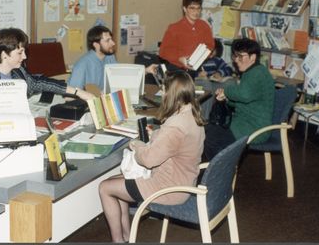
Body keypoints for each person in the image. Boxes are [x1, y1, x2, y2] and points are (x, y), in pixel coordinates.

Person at [98, 70, 206, 242]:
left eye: (163, 90)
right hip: (183, 179)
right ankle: (126, 236)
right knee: (117, 183)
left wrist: (137, 145)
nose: (161, 94)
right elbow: (173, 143)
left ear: (172, 95)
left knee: (105, 187)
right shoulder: (191, 114)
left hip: (168, 187)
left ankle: (117, 240)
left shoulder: (175, 126)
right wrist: (156, 135)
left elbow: (147, 160)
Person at [0, 28, 94, 133]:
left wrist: (78, 92)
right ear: (4, 54)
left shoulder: (20, 74)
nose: (24, 56)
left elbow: (44, 83)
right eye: (20, 52)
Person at [203, 38, 275, 160]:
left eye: (240, 56)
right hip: (245, 123)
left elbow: (244, 95)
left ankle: (220, 172)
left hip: (255, 129)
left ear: (253, 57)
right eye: (235, 56)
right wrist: (227, 98)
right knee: (208, 131)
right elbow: (243, 101)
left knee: (210, 137)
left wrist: (226, 91)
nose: (236, 60)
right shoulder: (253, 71)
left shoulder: (257, 73)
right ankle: (220, 169)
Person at [67, 25, 157, 91]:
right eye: (107, 41)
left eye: (111, 39)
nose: (113, 43)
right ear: (96, 45)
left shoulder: (110, 57)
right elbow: (70, 96)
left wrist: (146, 70)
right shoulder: (82, 65)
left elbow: (120, 76)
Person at [159, 0, 215, 78]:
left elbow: (210, 46)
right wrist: (180, 58)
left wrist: (200, 58)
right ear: (185, 9)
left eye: (198, 8)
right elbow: (163, 52)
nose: (196, 12)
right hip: (176, 70)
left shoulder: (204, 26)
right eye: (192, 8)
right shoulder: (174, 28)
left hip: (195, 70)